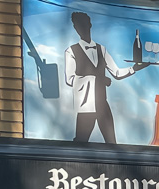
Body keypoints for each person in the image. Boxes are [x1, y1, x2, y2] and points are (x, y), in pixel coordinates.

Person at [63, 12, 148, 144]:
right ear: (75, 27)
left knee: (112, 143)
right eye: (78, 25)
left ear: (90, 25)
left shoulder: (101, 49)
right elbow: (70, 79)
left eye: (83, 24)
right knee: (80, 144)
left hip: (102, 102)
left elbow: (117, 73)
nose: (81, 28)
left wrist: (133, 69)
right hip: (86, 105)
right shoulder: (71, 51)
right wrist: (96, 80)